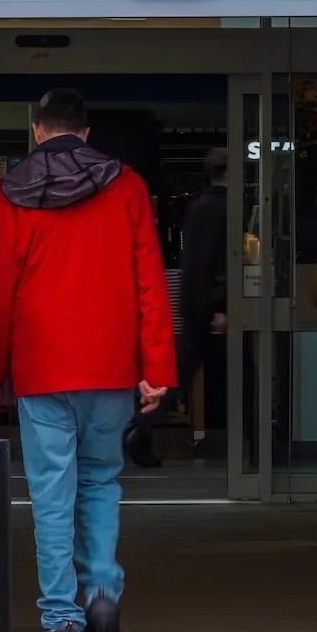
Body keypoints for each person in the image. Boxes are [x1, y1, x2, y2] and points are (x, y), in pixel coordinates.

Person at [0, 88, 177, 632]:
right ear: (85, 133)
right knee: (101, 479)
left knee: (50, 494)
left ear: (37, 130)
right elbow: (149, 285)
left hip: (41, 367)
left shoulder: (8, 192)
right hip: (110, 364)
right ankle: (103, 589)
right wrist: (155, 367)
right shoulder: (126, 185)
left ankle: (62, 621)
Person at [124, 146, 229, 467]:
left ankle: (140, 427)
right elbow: (216, 262)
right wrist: (219, 305)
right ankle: (139, 428)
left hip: (196, 304)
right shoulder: (222, 209)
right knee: (194, 374)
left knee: (181, 373)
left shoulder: (199, 207)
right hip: (209, 307)